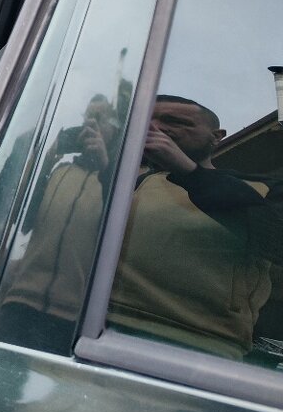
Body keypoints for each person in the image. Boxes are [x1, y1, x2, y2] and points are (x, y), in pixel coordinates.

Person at [107, 95, 280, 358]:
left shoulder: (263, 188)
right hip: (102, 324)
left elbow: (277, 241)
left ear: (216, 136)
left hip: (203, 341)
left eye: (174, 121)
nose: (156, 128)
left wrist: (189, 172)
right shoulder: (123, 182)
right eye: (147, 121)